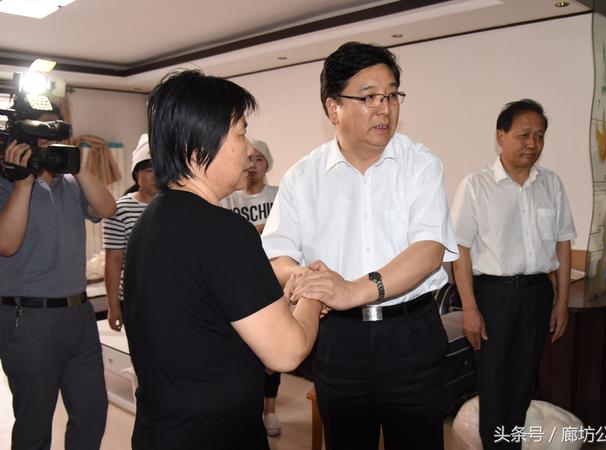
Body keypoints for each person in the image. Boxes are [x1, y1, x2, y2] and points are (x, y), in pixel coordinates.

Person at [262, 41, 458, 450]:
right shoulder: (303, 177)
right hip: (339, 341)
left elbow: (428, 251)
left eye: (392, 95)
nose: (384, 108)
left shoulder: (420, 164)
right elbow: (276, 255)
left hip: (410, 334)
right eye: (369, 97)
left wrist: (352, 289)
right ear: (333, 107)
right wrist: (307, 278)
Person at [123, 69, 322, 450]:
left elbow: (208, 321)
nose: (249, 150)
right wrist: (313, 291)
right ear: (198, 146)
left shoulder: (152, 220)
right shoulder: (224, 231)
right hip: (216, 435)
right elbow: (287, 351)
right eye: (241, 134)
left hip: (160, 432)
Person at [450, 99, 576, 449]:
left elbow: (564, 244)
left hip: (537, 294)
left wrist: (561, 303)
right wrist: (470, 309)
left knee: (523, 383)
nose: (533, 144)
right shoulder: (476, 186)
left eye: (540, 136)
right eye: (524, 135)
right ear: (501, 136)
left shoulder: (551, 184)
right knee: (494, 384)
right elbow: (460, 250)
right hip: (494, 296)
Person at [0, 105, 116, 450]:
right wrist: (23, 185)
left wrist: (77, 167)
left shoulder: (71, 183)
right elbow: (6, 244)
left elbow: (107, 209)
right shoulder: (6, 183)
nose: (49, 142)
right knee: (34, 424)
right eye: (41, 133)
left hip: (79, 314)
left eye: (56, 133)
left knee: (92, 414)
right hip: (28, 317)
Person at [220, 139, 282, 436]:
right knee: (246, 350)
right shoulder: (228, 200)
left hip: (275, 279)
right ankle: (248, 411)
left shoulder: (279, 195)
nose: (253, 165)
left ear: (267, 164)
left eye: (260, 159)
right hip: (241, 282)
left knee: (274, 349)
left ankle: (270, 410)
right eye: (250, 158)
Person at [103, 134, 158, 331]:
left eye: (160, 169)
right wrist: (113, 306)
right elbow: (113, 260)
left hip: (171, 296)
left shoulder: (175, 205)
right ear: (136, 174)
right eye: (149, 170)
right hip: (135, 298)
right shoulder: (121, 209)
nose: (156, 175)